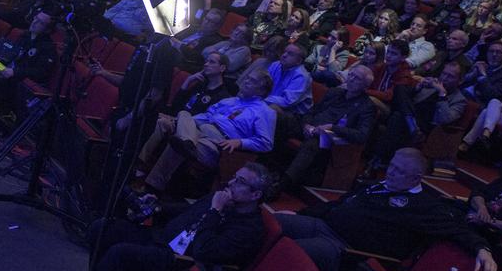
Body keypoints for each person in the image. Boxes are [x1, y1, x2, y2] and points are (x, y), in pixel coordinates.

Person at [20, 164, 274, 271]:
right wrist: (159, 207)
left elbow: (206, 250)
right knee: (103, 229)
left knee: (119, 255)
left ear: (255, 194)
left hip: (182, 267)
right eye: (234, 177)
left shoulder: (248, 228)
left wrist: (215, 212)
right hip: (162, 242)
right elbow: (186, 212)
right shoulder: (223, 198)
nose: (231, 183)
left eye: (240, 182)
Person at [276, 148, 497, 271]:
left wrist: (482, 249)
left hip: (345, 249)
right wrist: (299, 213)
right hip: (324, 225)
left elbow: (456, 228)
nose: (391, 172)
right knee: (273, 222)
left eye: (399, 171)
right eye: (392, 166)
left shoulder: (424, 206)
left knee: (287, 250)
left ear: (415, 178)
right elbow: (341, 203)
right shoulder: (379, 185)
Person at [136, 70, 275, 194]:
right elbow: (204, 117)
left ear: (262, 91)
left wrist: (239, 142)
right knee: (172, 118)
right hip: (197, 128)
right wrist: (175, 121)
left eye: (253, 81)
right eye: (247, 78)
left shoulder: (265, 111)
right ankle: (137, 165)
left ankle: (152, 187)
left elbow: (265, 143)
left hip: (217, 141)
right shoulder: (230, 101)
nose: (246, 81)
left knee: (179, 141)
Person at [274, 65, 376, 194]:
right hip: (308, 128)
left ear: (365, 86)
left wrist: (332, 128)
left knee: (313, 143)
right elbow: (311, 112)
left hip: (328, 138)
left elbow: (362, 135)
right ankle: (267, 167)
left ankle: (282, 184)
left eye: (357, 78)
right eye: (351, 75)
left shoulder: (367, 107)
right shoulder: (334, 92)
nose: (351, 79)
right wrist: (307, 125)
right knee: (280, 119)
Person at [168, 52, 237, 116]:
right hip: (175, 117)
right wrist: (188, 81)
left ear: (222, 68)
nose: (206, 64)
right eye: (206, 61)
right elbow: (175, 104)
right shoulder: (201, 84)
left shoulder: (222, 96)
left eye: (212, 62)